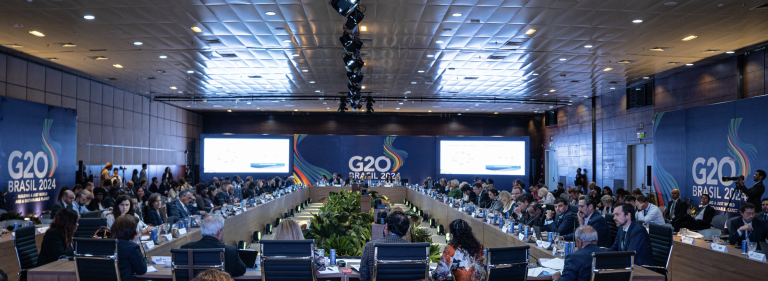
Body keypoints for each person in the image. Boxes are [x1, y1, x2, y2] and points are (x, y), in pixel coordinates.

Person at [181, 215, 246, 277]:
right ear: (219, 232)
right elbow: (241, 270)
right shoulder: (230, 251)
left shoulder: (185, 248)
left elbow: (182, 272)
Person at [359, 211, 410, 281]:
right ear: (405, 231)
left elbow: (363, 276)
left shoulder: (370, 246)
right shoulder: (413, 248)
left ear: (386, 226)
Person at [111, 215, 148, 281]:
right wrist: (135, 242)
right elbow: (142, 270)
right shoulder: (132, 247)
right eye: (135, 228)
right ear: (131, 231)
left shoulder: (106, 244)